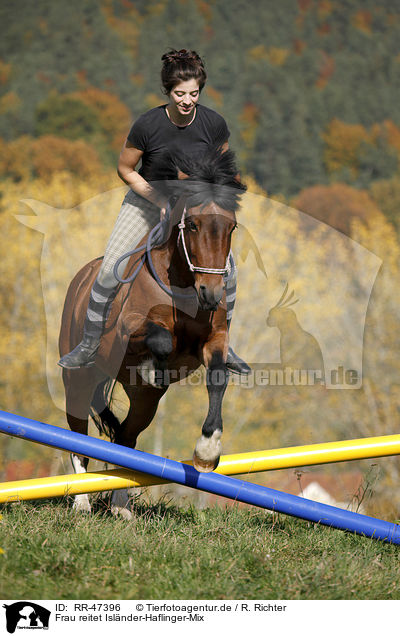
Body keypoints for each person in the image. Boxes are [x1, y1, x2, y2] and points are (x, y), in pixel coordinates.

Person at [58, 48, 250, 375]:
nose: (187, 100)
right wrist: (160, 202)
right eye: (179, 94)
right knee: (109, 269)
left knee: (227, 272)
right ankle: (89, 344)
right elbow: (125, 168)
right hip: (147, 202)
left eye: (194, 93)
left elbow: (220, 174)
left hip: (194, 211)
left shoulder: (214, 124)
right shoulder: (148, 124)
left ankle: (224, 342)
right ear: (167, 91)